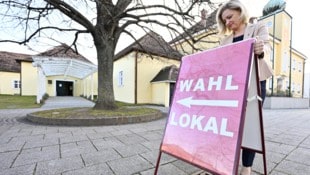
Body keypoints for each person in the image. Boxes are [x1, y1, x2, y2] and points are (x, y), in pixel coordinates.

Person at [216, 0, 273, 175]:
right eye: (224, 20)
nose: (227, 22)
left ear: (240, 12)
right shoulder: (224, 40)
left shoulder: (258, 27)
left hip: (255, 83)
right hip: (232, 86)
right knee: (228, 125)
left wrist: (260, 49)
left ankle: (246, 166)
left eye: (230, 17)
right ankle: (225, 161)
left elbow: (267, 47)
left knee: (251, 125)